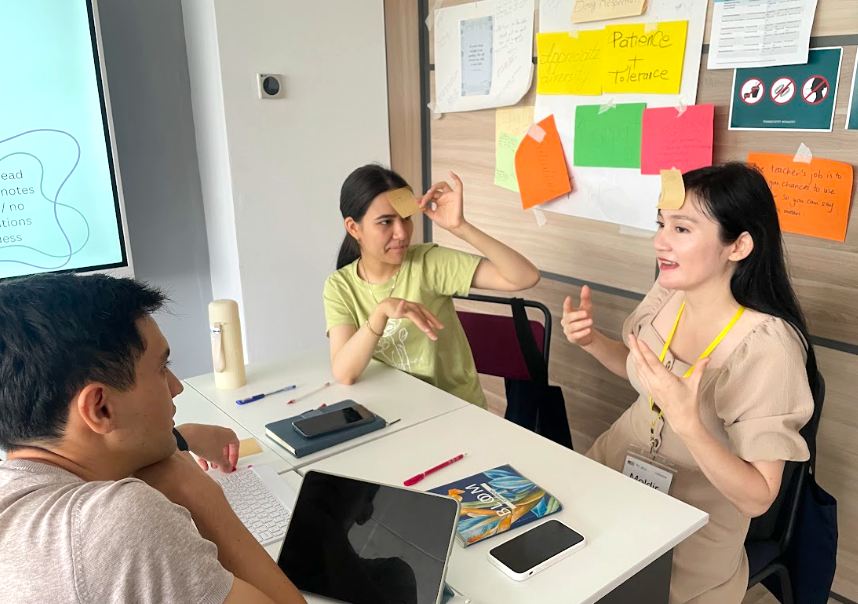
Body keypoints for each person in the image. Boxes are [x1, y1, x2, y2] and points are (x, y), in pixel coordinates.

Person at [561, 163, 816, 604]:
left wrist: (690, 425)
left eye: (681, 228)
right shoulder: (669, 293)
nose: (660, 241)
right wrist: (592, 342)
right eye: (661, 223)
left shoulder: (768, 348)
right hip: (612, 466)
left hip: (693, 520)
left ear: (738, 245)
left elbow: (758, 498)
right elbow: (645, 375)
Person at [0, 273, 306, 604]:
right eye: (162, 368)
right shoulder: (119, 522)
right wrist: (201, 497)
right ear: (101, 408)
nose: (176, 386)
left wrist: (181, 438)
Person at [324, 164, 540, 408]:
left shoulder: (429, 263)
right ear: (354, 227)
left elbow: (525, 277)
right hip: (395, 411)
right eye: (385, 222)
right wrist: (380, 313)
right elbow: (344, 373)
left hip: (454, 410)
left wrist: (461, 228)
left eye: (406, 218)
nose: (401, 233)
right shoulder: (339, 286)